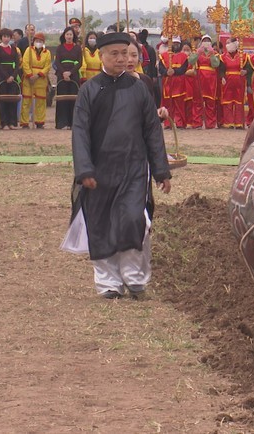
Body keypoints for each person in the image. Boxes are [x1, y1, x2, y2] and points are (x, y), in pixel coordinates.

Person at [62, 32, 172, 300]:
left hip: (134, 168)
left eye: (126, 53)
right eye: (115, 54)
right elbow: (80, 133)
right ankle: (108, 283)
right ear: (102, 56)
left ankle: (134, 279)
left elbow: (152, 131)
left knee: (133, 220)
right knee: (100, 225)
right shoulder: (89, 90)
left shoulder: (139, 89)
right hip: (99, 172)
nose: (122, 59)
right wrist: (84, 170)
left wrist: (161, 170)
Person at [0, 28, 22, 130]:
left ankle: (12, 122)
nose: (6, 39)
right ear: (1, 37)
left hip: (13, 76)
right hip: (2, 76)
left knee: (12, 99)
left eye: (8, 37)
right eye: (4, 36)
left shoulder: (14, 48)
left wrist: (13, 75)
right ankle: (4, 123)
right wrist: (6, 76)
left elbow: (17, 63)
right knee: (3, 100)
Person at [20, 32, 51, 129]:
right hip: (29, 79)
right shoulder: (28, 50)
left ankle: (40, 121)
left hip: (41, 79)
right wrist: (30, 75)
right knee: (26, 101)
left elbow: (47, 66)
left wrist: (38, 75)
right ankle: (24, 122)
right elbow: (25, 63)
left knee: (40, 101)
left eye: (40, 41)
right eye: (37, 41)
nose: (38, 42)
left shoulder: (47, 52)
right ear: (33, 41)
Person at [54, 26, 82, 129]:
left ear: (73, 36)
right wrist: (64, 73)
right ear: (64, 36)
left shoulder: (78, 48)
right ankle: (62, 123)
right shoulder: (59, 48)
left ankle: (72, 123)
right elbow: (57, 62)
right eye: (67, 34)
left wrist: (70, 72)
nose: (69, 36)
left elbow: (80, 62)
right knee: (62, 99)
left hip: (73, 75)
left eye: (71, 34)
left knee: (73, 99)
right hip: (61, 75)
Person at [158, 36, 189, 129]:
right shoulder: (163, 56)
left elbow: (184, 69)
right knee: (168, 104)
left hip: (179, 83)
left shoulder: (184, 56)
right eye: (174, 43)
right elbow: (161, 68)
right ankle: (168, 122)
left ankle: (180, 123)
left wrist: (175, 71)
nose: (175, 45)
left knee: (179, 105)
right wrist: (166, 72)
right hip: (168, 82)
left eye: (177, 43)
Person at [218, 37, 248, 129]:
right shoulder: (222, 57)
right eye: (226, 43)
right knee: (227, 101)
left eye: (229, 43)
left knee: (239, 101)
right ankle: (228, 122)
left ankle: (239, 123)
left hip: (239, 79)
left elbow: (248, 67)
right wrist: (222, 77)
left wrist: (245, 71)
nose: (227, 45)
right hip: (227, 80)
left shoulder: (243, 56)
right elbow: (221, 69)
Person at [195, 35, 220, 129]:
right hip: (200, 78)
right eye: (204, 40)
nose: (206, 42)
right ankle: (197, 122)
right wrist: (197, 53)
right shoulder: (198, 52)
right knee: (198, 101)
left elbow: (216, 64)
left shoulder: (215, 54)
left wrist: (212, 53)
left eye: (208, 40)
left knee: (210, 102)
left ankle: (211, 123)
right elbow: (191, 61)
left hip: (211, 79)